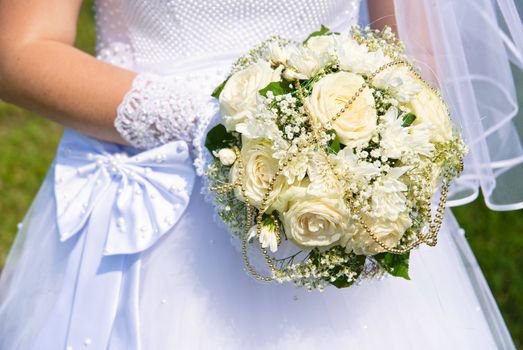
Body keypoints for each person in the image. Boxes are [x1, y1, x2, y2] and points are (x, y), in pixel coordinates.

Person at [0, 0, 521, 348]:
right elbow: (18, 49)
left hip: (345, 185)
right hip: (151, 211)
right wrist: (215, 122)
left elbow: (417, 46)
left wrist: (373, 141)